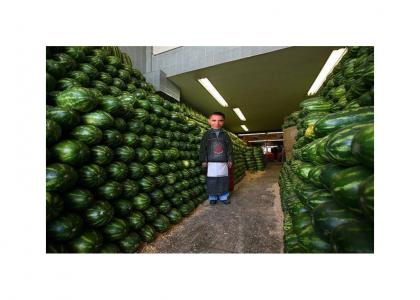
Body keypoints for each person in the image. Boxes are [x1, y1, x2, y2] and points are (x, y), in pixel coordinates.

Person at [199, 112, 233, 205]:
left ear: (223, 122)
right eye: (214, 120)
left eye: (220, 121)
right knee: (211, 180)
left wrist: (230, 159)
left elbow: (229, 148)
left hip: (223, 162)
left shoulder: (225, 135)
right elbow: (203, 148)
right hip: (211, 162)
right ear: (209, 121)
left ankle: (223, 197)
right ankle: (212, 197)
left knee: (223, 179)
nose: (217, 123)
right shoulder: (206, 134)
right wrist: (203, 160)